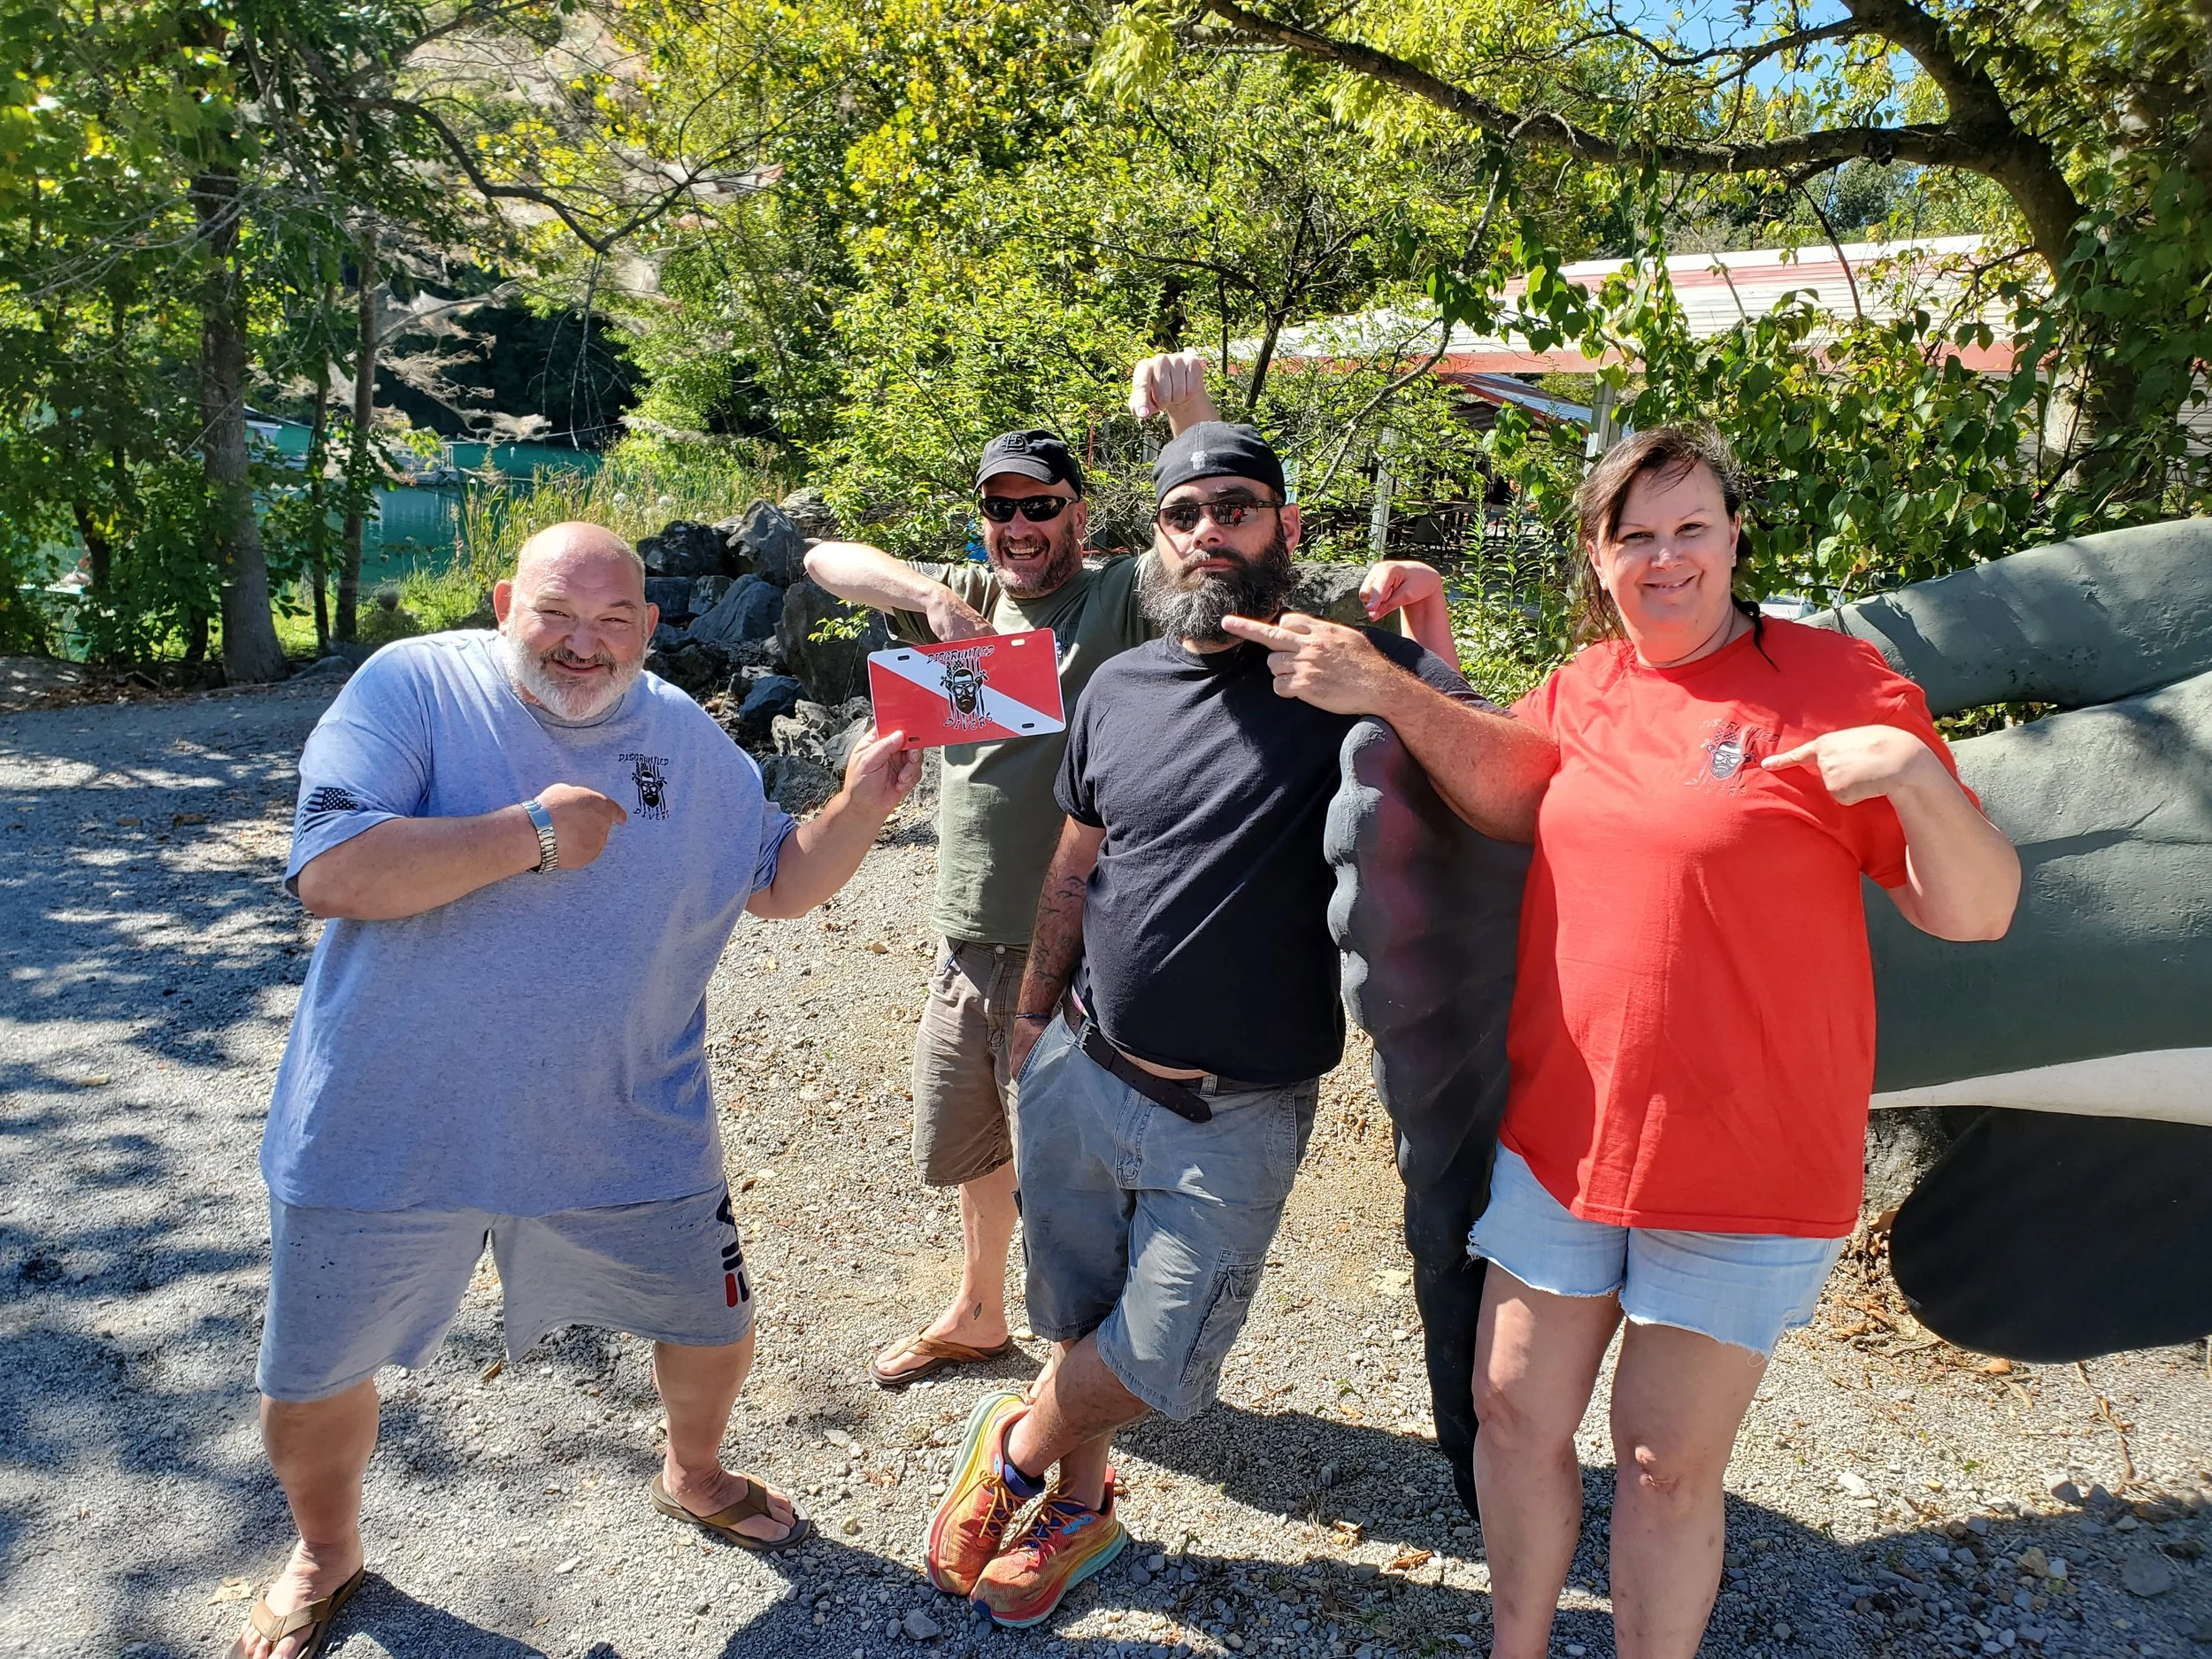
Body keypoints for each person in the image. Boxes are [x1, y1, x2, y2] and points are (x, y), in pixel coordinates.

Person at [229, 522, 921, 1659]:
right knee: (313, 1373)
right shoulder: (415, 684)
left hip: (627, 1121)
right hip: (387, 1121)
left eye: (612, 621)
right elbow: (332, 870)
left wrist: (860, 804)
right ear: (506, 601)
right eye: (555, 613)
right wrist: (532, 834)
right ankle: (326, 1550)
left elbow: (779, 883)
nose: (582, 644)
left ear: (649, 628)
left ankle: (694, 1474)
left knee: (712, 1321)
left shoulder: (692, 741)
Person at [921, 421, 1558, 1628]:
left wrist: (1404, 665)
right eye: (1184, 514)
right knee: (1073, 1306)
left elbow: (1514, 787)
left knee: (1156, 1361)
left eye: (1237, 507)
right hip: (1084, 1060)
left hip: (1239, 1104)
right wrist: (1036, 1021)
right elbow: (1076, 861)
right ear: (1156, 543)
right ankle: (1079, 1507)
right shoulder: (1118, 683)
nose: (1210, 530)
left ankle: (1015, 1445)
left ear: (1287, 528)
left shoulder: (1340, 669)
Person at [1465, 426, 2020, 1659]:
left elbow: (1978, 909)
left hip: (1748, 1153)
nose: (1668, 559)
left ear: (1735, 536)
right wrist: (1427, 649)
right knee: (1509, 1410)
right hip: (1568, 1134)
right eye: (1637, 536)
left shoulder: (1838, 687)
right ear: (1597, 557)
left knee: (1663, 1462)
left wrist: (1918, 777)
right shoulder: (1581, 686)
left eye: (1692, 527)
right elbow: (1488, 792)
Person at [801, 356, 1286, 1390]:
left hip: (1081, 936)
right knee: (968, 1128)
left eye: (1043, 506)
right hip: (966, 927)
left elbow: (1200, 516)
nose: (1021, 526)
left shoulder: (1117, 598)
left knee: (1079, 1156)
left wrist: (1188, 410)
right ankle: (979, 1310)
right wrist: (925, 594)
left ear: (1079, 512)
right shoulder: (968, 599)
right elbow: (820, 561)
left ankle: (1087, 1349)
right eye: (1001, 507)